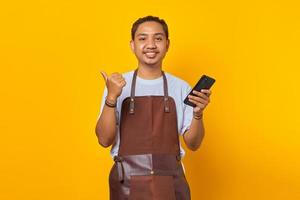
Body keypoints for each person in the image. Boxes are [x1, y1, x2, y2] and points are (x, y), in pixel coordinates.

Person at [95, 15, 212, 200]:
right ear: (132, 45)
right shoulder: (116, 85)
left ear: (167, 44)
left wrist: (198, 114)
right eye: (143, 38)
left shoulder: (181, 88)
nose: (151, 45)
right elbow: (103, 139)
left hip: (171, 184)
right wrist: (111, 97)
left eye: (158, 38)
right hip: (126, 182)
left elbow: (194, 144)